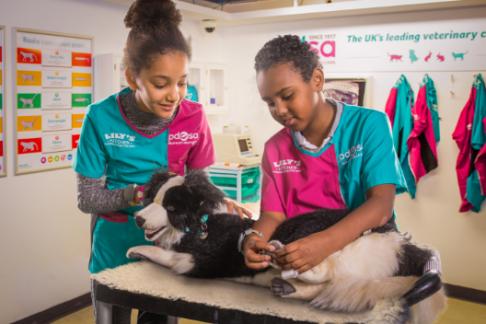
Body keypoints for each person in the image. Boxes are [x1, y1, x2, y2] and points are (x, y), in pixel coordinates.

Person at [74, 0, 248, 323]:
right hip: (113, 247)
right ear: (131, 77)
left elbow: (197, 183)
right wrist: (142, 196)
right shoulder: (100, 118)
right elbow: (87, 199)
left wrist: (219, 199)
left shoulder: (193, 116)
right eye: (160, 83)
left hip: (169, 246)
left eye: (182, 81)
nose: (175, 95)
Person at [242, 35, 407, 275]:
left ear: (317, 80)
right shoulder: (274, 148)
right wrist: (255, 238)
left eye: (287, 96)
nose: (279, 110)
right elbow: (272, 214)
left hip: (361, 257)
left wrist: (325, 243)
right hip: (301, 258)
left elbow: (381, 204)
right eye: (269, 102)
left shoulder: (370, 125)